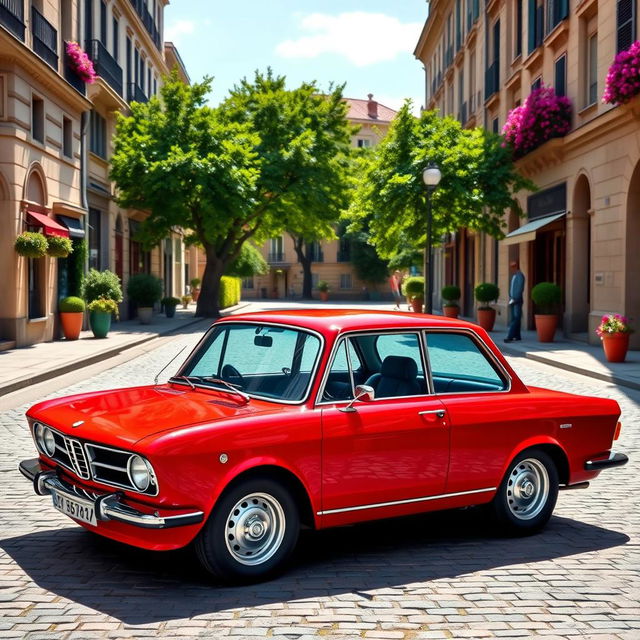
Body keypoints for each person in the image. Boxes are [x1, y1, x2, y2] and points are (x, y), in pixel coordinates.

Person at [505, 261, 525, 342]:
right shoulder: (514, 276)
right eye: (511, 266)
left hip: (517, 300)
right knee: (515, 318)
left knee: (515, 319)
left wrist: (515, 299)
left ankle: (510, 336)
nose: (511, 268)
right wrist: (510, 297)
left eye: (513, 266)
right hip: (512, 299)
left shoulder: (520, 276)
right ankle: (517, 336)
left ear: (517, 266)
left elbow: (520, 288)